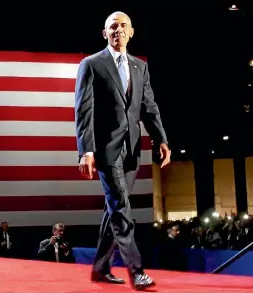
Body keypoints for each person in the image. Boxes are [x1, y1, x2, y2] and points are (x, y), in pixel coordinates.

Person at [74, 11, 171, 290]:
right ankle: (136, 270)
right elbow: (83, 111)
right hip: (105, 150)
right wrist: (86, 151)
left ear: (132, 32)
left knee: (114, 209)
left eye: (123, 26)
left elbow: (148, 107)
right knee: (121, 207)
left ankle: (100, 268)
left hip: (132, 149)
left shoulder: (140, 67)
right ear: (105, 34)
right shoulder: (91, 64)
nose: (118, 30)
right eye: (112, 26)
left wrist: (161, 139)